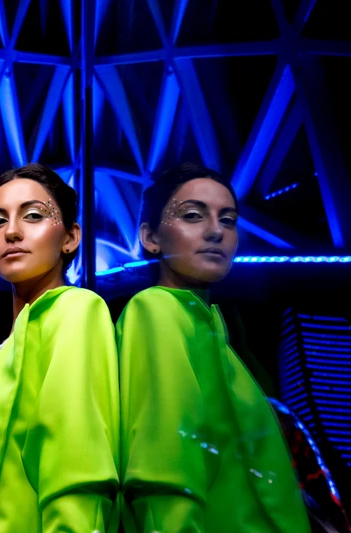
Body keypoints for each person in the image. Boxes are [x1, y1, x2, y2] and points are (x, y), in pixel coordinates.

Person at [0, 163, 120, 533]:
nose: (11, 231)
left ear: (70, 237)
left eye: (33, 216)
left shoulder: (75, 311)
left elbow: (78, 469)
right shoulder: (5, 354)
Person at [116, 162, 311, 533]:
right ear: (150, 237)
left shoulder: (215, 334)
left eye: (228, 220)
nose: (215, 231)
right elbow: (164, 467)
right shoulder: (156, 309)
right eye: (193, 215)